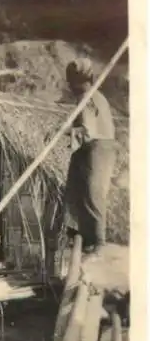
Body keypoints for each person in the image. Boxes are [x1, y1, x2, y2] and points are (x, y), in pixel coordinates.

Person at [64, 58, 116, 258]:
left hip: (97, 147)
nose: (71, 87)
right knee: (82, 190)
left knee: (93, 192)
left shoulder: (88, 98)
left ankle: (98, 241)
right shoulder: (96, 96)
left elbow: (88, 131)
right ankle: (85, 237)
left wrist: (64, 131)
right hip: (93, 147)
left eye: (72, 82)